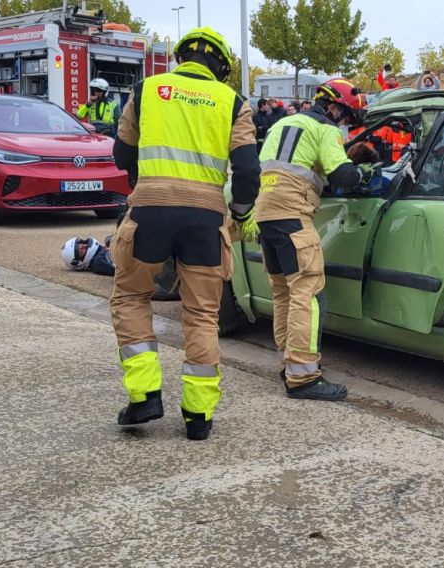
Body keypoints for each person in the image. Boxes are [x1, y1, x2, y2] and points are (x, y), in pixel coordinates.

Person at [110, 27, 260, 440]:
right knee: (201, 313)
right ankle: (198, 416)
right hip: (206, 220)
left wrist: (148, 186)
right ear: (222, 68)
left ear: (181, 58)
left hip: (151, 211)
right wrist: (240, 213)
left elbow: (122, 152)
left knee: (131, 295)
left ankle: (144, 397)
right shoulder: (233, 102)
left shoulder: (147, 89)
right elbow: (247, 171)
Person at [252, 78, 375, 401]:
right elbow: (343, 176)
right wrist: (366, 171)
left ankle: (290, 363)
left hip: (265, 213)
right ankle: (304, 377)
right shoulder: (325, 129)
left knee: (283, 293)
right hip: (292, 215)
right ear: (334, 107)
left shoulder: (284, 123)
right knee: (307, 293)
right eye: (347, 118)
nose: (346, 126)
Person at [61, 235, 182, 300]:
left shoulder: (100, 254)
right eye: (79, 250)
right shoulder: (99, 261)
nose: (82, 246)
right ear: (78, 263)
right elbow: (121, 260)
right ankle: (174, 285)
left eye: (80, 243)